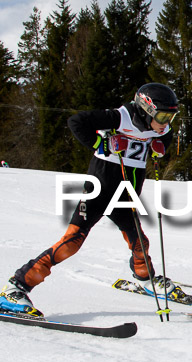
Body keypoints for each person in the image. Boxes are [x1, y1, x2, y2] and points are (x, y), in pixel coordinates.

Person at [0, 83, 179, 317]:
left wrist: (159, 149)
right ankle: (15, 287)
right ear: (147, 109)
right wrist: (101, 144)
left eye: (171, 117)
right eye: (164, 115)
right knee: (71, 243)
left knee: (140, 244)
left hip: (124, 195)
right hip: (99, 191)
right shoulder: (119, 117)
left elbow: (165, 139)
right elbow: (77, 122)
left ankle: (145, 278)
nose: (166, 123)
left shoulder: (160, 128)